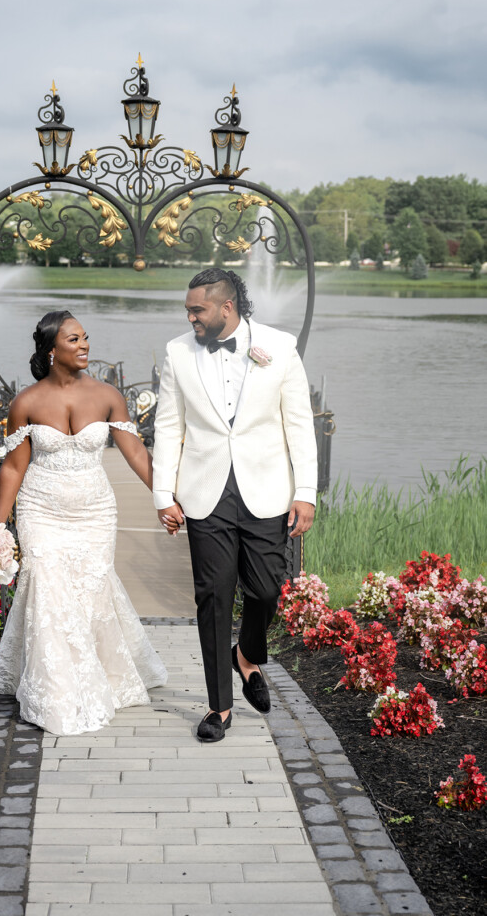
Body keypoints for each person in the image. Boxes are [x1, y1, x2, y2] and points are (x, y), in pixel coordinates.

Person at [153, 268, 317, 742]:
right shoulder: (177, 351)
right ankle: (218, 708)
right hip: (205, 491)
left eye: (197, 309)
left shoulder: (280, 347)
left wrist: (305, 491)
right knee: (214, 595)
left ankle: (246, 655)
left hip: (266, 489)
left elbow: (300, 425)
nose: (190, 317)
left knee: (267, 590)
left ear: (226, 308)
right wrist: (164, 494)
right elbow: (169, 427)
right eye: (188, 310)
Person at [0, 310, 167, 735]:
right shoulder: (25, 402)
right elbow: (13, 468)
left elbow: (137, 454)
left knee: (89, 592)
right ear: (52, 350)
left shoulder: (107, 395)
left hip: (94, 511)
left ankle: (97, 675)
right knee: (48, 590)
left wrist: (166, 499)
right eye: (73, 339)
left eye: (86, 337)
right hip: (41, 509)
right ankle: (56, 692)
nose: (84, 345)